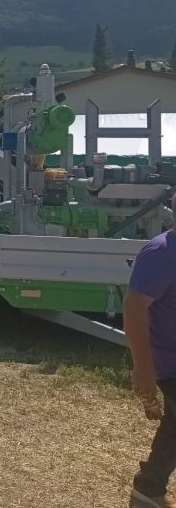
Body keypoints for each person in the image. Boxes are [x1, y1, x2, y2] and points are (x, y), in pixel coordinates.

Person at [125, 195, 176, 508]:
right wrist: (143, 368)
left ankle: (149, 490)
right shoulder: (162, 252)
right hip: (169, 363)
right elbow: (133, 307)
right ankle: (148, 489)